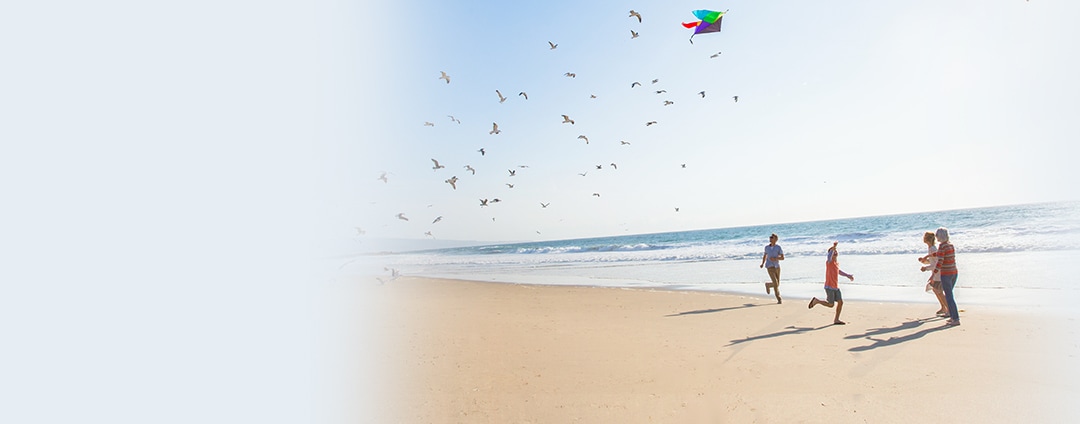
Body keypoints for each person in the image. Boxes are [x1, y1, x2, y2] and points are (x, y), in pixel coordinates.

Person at [809, 241, 854, 325]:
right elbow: (829, 256)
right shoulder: (829, 262)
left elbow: (838, 271)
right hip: (829, 286)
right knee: (830, 304)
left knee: (840, 302)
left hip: (835, 287)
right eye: (833, 252)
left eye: (836, 252)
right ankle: (816, 301)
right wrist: (833, 247)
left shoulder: (836, 264)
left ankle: (836, 319)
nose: (835, 253)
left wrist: (847, 275)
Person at [933, 227, 960, 326]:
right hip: (954, 272)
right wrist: (932, 255)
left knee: (949, 297)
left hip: (946, 274)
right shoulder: (950, 245)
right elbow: (943, 255)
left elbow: (940, 262)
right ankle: (953, 317)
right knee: (949, 295)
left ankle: (955, 318)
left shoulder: (942, 246)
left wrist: (933, 274)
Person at [918, 231, 949, 317]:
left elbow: (936, 264)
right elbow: (932, 261)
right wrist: (924, 262)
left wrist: (926, 268)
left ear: (926, 239)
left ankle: (947, 309)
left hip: (938, 274)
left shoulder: (933, 249)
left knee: (938, 291)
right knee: (936, 290)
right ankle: (944, 307)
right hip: (936, 274)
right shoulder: (931, 248)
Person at [759, 233, 784, 304]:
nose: (770, 238)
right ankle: (779, 299)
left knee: (777, 284)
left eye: (772, 237)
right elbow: (765, 256)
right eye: (770, 237)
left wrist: (775, 258)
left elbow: (782, 257)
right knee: (775, 283)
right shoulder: (766, 247)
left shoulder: (778, 247)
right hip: (769, 266)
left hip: (777, 267)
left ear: (775, 239)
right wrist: (762, 263)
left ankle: (768, 285)